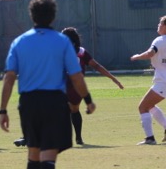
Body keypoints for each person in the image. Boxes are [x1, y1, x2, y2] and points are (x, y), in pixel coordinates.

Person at [0, 0, 96, 169]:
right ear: (53, 16)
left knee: (33, 154)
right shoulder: (62, 42)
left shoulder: (19, 42)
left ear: (31, 15)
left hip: (29, 103)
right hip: (53, 102)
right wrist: (88, 99)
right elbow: (76, 76)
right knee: (48, 157)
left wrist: (2, 110)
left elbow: (9, 77)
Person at [61, 27, 124, 145]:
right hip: (78, 87)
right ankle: (78, 138)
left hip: (64, 85)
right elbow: (97, 66)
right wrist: (113, 79)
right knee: (74, 110)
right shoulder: (82, 52)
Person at [130, 15, 166, 145]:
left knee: (143, 107)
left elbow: (150, 53)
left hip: (163, 81)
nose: (158, 26)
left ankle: (150, 138)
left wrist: (137, 57)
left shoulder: (160, 40)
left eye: (160, 24)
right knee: (149, 106)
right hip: (162, 81)